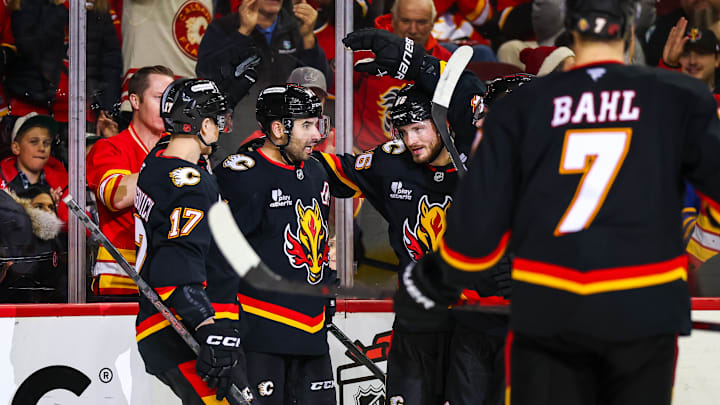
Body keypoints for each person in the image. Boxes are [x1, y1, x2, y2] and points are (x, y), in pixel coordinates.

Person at [358, 0, 720, 403]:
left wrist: (426, 286)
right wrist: (688, 256)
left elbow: (476, 233)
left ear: (572, 35)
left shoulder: (526, 106)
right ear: (631, 35)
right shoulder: (679, 97)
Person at [214, 84, 336, 405]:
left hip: (313, 332)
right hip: (261, 332)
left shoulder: (315, 170)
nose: (316, 135)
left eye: (317, 124)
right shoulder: (242, 174)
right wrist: (222, 320)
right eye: (306, 126)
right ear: (278, 128)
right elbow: (220, 254)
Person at [134, 78, 252, 405]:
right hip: (180, 325)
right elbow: (176, 271)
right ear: (201, 124)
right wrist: (207, 327)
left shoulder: (155, 162)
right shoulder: (193, 185)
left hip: (159, 323)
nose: (221, 127)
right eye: (216, 120)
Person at [86, 65, 174, 297]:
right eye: (158, 97)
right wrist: (173, 160)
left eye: (171, 99)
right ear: (135, 101)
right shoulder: (109, 147)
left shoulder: (179, 147)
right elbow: (116, 196)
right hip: (121, 276)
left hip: (172, 276)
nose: (167, 106)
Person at [197, 0, 331, 151]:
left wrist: (308, 37)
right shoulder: (223, 27)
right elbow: (207, 73)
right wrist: (243, 33)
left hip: (284, 138)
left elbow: (321, 83)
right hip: (233, 139)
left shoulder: (296, 26)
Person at [352, 0, 452, 152]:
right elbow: (334, 105)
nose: (413, 29)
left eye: (421, 22)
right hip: (368, 155)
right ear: (392, 19)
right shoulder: (365, 54)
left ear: (433, 23)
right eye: (405, 21)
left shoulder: (445, 61)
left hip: (425, 160)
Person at [0, 112, 68, 226]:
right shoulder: (2, 182)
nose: (42, 148)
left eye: (46, 143)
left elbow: (81, 230)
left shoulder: (61, 183)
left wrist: (56, 209)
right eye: (34, 142)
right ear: (16, 147)